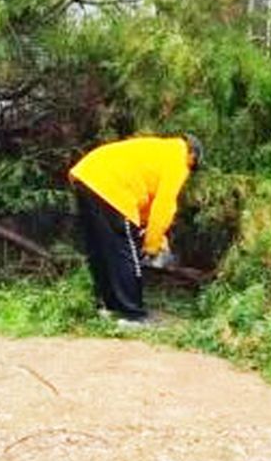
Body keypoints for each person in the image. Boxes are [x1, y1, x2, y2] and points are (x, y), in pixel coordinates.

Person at [68, 134, 201, 323]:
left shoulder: (160, 150)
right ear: (192, 156)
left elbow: (147, 210)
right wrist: (152, 248)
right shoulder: (179, 161)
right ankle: (132, 314)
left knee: (101, 248)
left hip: (87, 176)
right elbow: (163, 207)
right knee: (125, 251)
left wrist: (156, 237)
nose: (188, 174)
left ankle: (108, 306)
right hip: (112, 187)